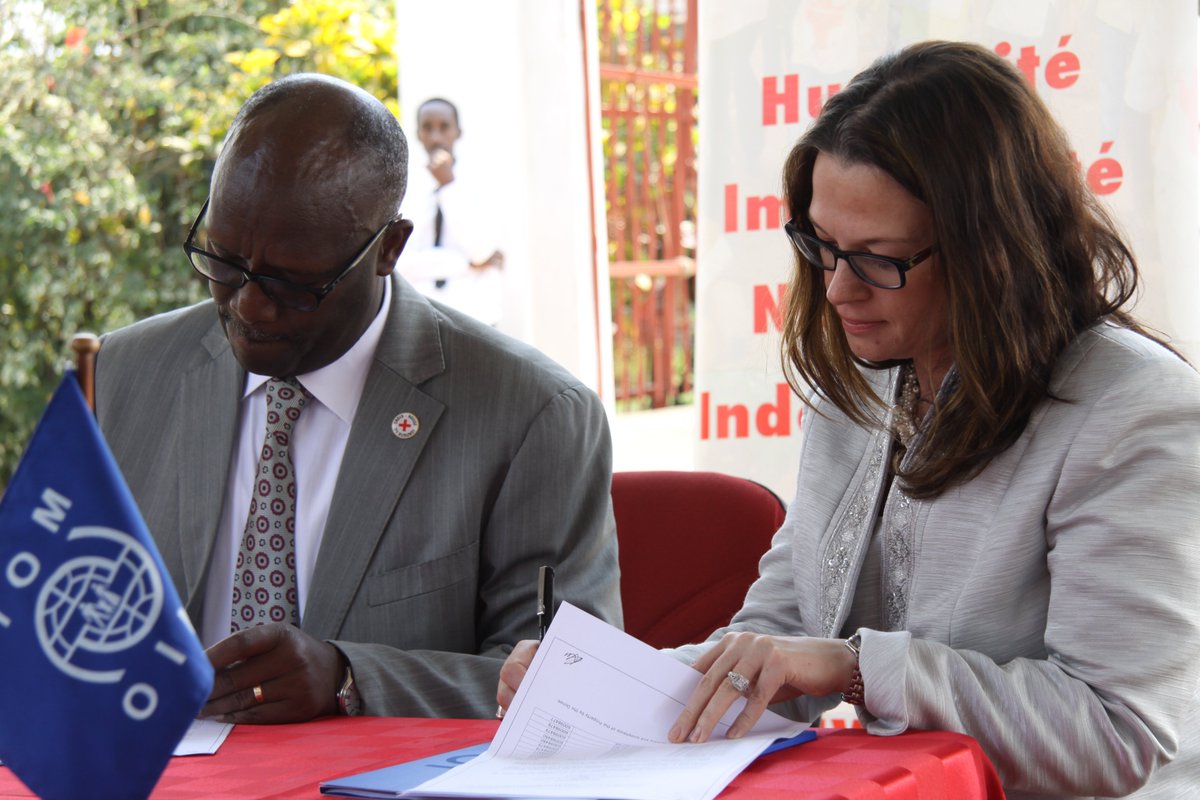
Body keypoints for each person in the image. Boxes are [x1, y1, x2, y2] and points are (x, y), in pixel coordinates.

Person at [499, 41, 1200, 797]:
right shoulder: (864, 384)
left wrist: (857, 667)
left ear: (994, 249)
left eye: (877, 257)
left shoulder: (1133, 410)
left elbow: (1116, 732)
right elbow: (777, 638)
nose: (837, 290)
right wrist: (600, 683)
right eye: (823, 247)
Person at [94, 73, 622, 724]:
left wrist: (352, 679)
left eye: (293, 283)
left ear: (388, 249)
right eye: (224, 262)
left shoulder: (531, 416)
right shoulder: (126, 373)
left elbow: (570, 684)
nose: (248, 306)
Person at [395, 97, 505, 326]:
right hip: (423, 319)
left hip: (476, 319)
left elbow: (482, 250)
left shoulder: (484, 182)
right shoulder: (404, 187)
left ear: (458, 132)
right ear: (418, 134)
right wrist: (464, 265)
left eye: (444, 127)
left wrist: (448, 186)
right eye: (427, 128)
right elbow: (399, 262)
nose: (436, 137)